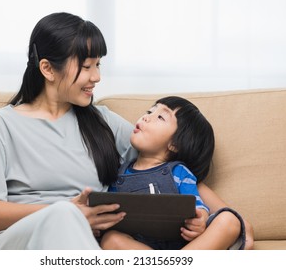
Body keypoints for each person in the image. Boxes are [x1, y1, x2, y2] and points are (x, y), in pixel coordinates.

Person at [0, 12, 254, 250]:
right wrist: (68, 212)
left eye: (99, 64)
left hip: (86, 248)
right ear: (48, 69)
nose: (97, 77)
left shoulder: (102, 121)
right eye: (86, 66)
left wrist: (225, 215)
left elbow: (164, 165)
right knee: (64, 215)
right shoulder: (0, 125)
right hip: (17, 244)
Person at [100, 96, 246, 250]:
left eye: (160, 117)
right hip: (142, 248)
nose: (146, 117)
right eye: (150, 111)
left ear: (174, 144)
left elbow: (197, 204)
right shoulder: (119, 175)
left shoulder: (179, 173)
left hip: (185, 246)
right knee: (111, 239)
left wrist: (200, 218)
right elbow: (111, 213)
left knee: (229, 220)